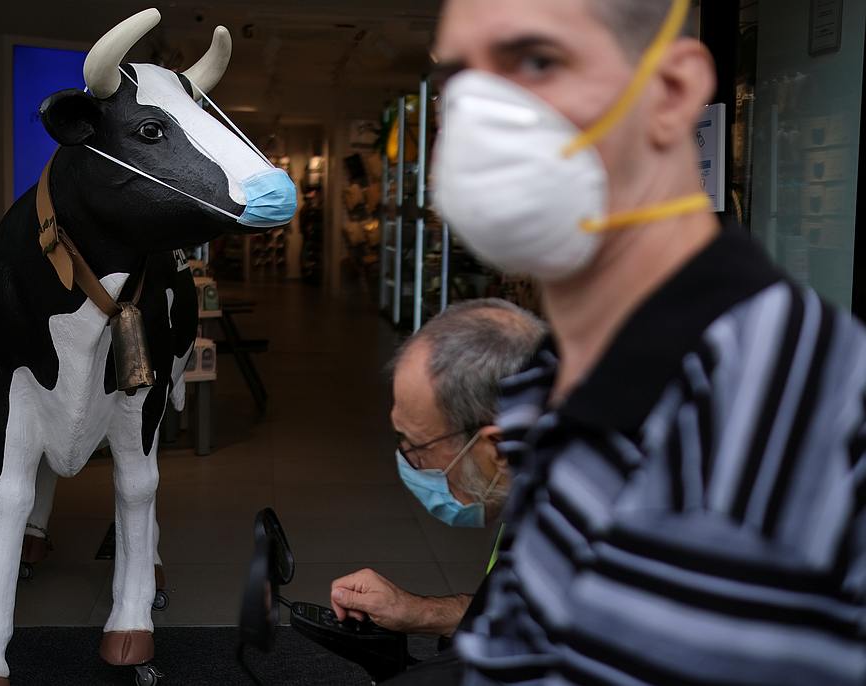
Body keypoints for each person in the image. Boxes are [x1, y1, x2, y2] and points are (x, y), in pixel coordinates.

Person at [407, 0, 865, 685]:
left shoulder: (788, 404)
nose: (482, 119)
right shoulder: (558, 377)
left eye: (537, 61)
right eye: (461, 83)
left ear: (672, 92)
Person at [330, 299, 547, 637]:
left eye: (417, 446)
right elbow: (525, 616)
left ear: (499, 449)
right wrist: (417, 611)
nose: (407, 462)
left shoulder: (594, 539)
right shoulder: (543, 487)